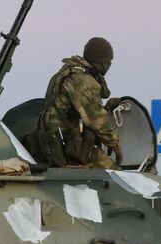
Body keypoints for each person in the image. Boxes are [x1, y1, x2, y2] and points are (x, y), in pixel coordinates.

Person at [29, 36, 122, 169]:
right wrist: (116, 146)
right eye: (108, 61)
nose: (109, 65)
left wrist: (106, 107)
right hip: (66, 147)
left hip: (47, 144)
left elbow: (74, 110)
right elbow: (97, 121)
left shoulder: (64, 73)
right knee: (116, 173)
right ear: (101, 61)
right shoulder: (82, 80)